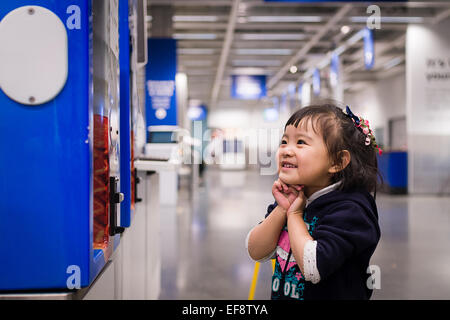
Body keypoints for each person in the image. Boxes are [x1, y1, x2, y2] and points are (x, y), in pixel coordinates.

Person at [246, 103, 382, 300]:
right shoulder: (295, 196)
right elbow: (256, 251)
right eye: (284, 141)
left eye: (300, 142)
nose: (286, 150)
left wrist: (294, 214)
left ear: (337, 162)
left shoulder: (351, 209)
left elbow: (313, 268)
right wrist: (282, 210)